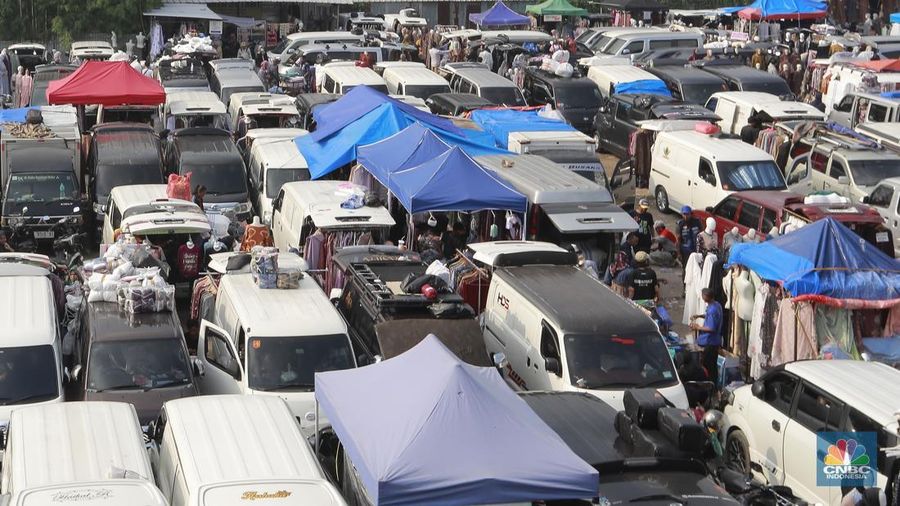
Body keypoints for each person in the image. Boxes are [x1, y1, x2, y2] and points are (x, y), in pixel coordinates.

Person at [690, 288, 723, 383]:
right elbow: (710, 316)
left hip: (710, 342)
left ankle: (711, 386)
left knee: (709, 366)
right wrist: (699, 316)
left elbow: (711, 328)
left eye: (703, 295)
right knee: (711, 365)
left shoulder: (712, 309)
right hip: (714, 341)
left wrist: (698, 327)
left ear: (705, 297)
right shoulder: (716, 305)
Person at [676, 206, 701, 276]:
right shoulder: (680, 225)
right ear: (681, 214)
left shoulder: (697, 222)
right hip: (685, 252)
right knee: (686, 269)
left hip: (696, 250)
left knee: (696, 269)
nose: (686, 216)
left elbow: (701, 235)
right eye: (684, 214)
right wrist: (679, 253)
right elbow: (678, 240)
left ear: (691, 214)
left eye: (687, 214)